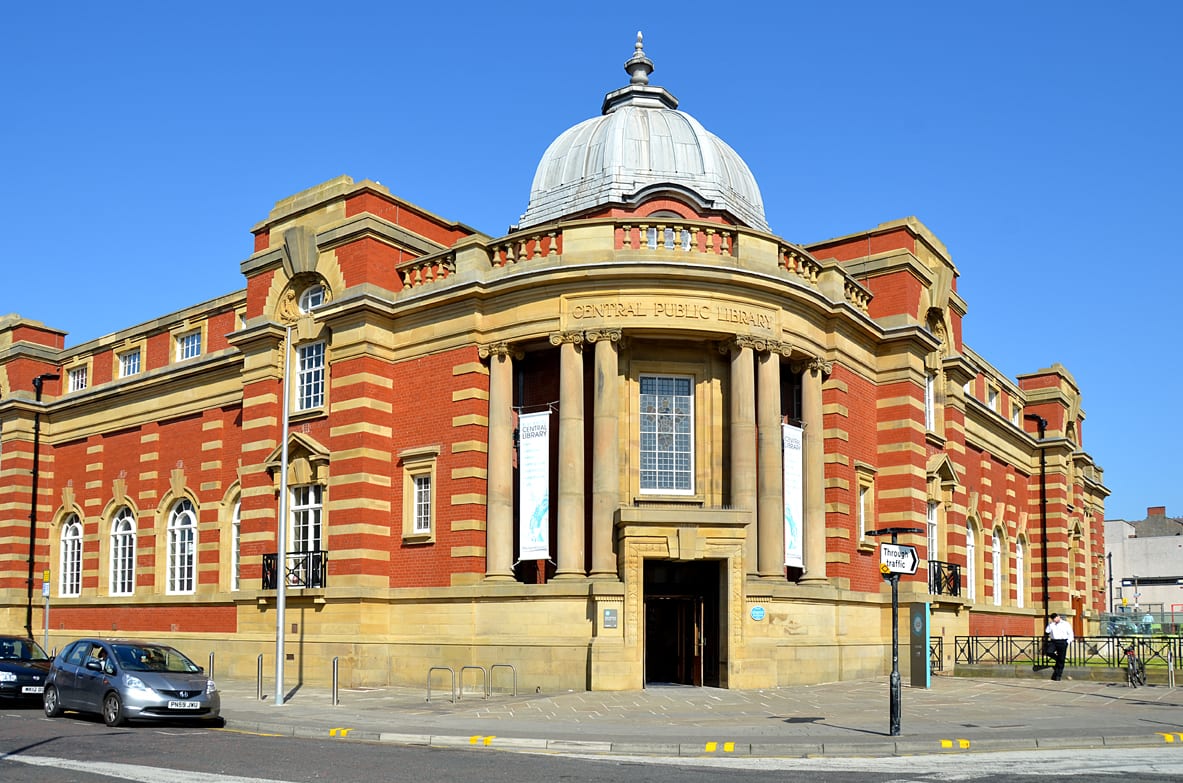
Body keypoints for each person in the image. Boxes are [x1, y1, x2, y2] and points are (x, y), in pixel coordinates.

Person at [1045, 612, 1074, 681]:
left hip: (1063, 641)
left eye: (1055, 618)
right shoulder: (1052, 624)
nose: (1054, 620)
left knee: (1061, 659)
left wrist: (1068, 642)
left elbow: (1070, 633)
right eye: (1053, 619)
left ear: (1058, 617)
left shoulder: (1065, 624)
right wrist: (1050, 624)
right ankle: (1058, 659)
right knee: (1049, 652)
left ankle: (1058, 675)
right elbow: (1047, 631)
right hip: (1054, 641)